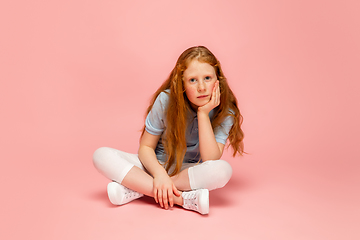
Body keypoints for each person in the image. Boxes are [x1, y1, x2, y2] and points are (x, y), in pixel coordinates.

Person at [93, 46, 244, 215]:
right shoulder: (166, 100)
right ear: (182, 83)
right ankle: (183, 199)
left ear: (218, 80)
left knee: (223, 170)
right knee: (101, 155)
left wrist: (203, 113)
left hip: (187, 171)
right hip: (154, 165)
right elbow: (146, 148)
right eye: (193, 80)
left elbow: (211, 158)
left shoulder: (226, 111)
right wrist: (159, 175)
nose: (201, 87)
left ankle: (138, 188)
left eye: (207, 78)